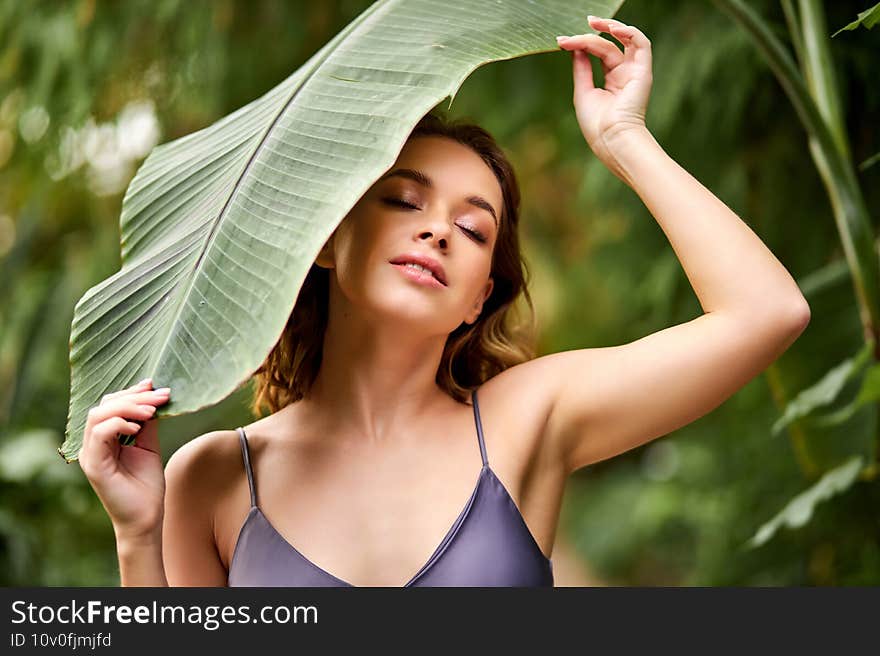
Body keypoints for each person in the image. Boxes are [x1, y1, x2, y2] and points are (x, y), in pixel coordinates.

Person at [78, 16, 810, 587]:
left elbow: (766, 312)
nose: (437, 229)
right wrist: (137, 535)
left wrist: (624, 138)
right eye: (404, 201)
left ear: (476, 299)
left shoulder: (529, 418)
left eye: (471, 227)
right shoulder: (214, 474)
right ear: (329, 243)